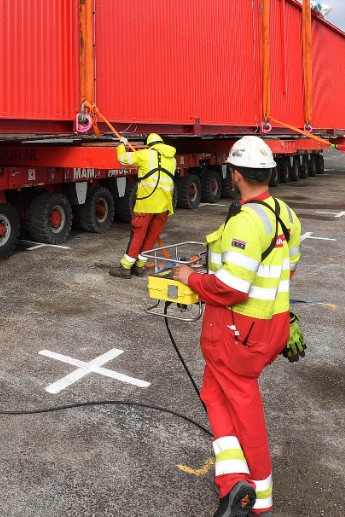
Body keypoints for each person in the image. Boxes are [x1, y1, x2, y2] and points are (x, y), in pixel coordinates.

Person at [170, 136, 301, 517]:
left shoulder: (246, 220)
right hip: (271, 325)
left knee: (242, 404)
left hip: (239, 331)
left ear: (237, 174)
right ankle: (233, 481)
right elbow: (285, 268)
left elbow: (232, 287)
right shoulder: (285, 214)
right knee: (215, 394)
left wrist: (189, 279)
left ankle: (258, 496)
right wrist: (215, 262)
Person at [110, 133, 177, 278]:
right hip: (164, 206)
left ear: (149, 145)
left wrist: (122, 144)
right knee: (151, 237)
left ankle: (125, 267)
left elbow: (122, 159)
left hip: (146, 204)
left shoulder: (145, 155)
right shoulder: (173, 159)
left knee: (138, 236)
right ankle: (139, 267)